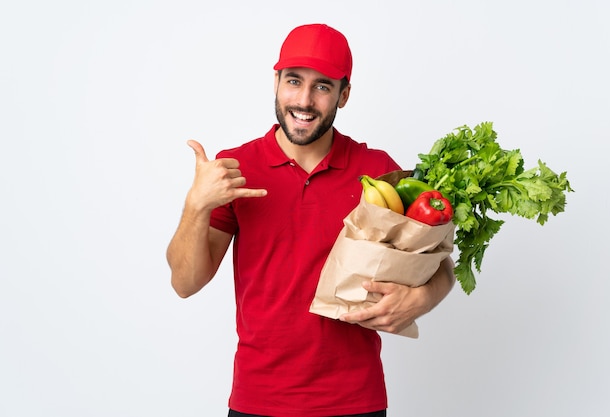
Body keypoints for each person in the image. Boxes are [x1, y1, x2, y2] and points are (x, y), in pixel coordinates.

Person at [166, 23, 455, 417]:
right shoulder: (235, 168)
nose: (303, 100)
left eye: (322, 86)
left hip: (355, 401)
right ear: (276, 82)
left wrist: (421, 298)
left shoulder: (380, 172)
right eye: (293, 81)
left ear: (344, 94)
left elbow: (439, 264)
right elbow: (185, 283)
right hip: (259, 401)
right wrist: (195, 205)